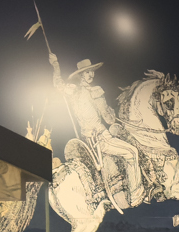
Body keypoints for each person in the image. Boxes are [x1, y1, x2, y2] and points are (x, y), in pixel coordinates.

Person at [48, 53, 139, 209]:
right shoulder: (74, 91)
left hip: (102, 134)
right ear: (81, 75)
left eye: (91, 71)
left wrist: (111, 114)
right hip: (97, 138)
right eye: (87, 72)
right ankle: (136, 193)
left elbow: (108, 118)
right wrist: (55, 65)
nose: (90, 75)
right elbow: (59, 85)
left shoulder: (96, 91)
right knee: (132, 153)